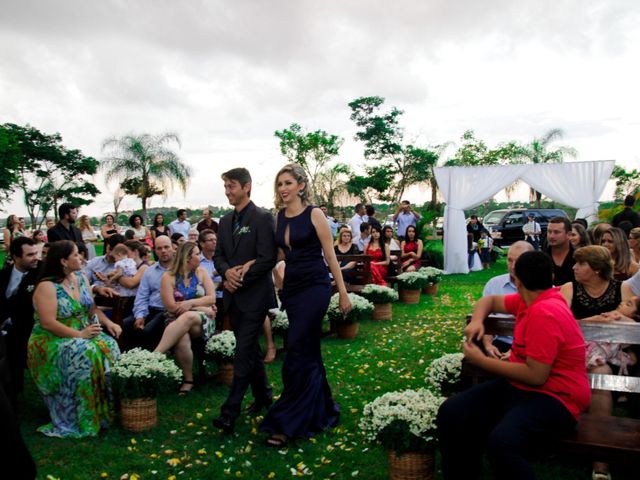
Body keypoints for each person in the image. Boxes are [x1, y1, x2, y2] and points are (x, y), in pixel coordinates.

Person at [437, 251, 590, 480]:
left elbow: (536, 375)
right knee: (453, 411)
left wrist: (482, 361)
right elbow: (489, 300)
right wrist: (477, 321)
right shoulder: (531, 298)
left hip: (558, 398)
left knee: (502, 443)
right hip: (521, 387)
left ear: (517, 280)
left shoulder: (546, 312)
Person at [260, 163, 351, 447]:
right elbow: (278, 255)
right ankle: (320, 408)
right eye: (280, 184)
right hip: (292, 290)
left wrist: (343, 292)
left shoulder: (314, 214)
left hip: (315, 287)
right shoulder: (281, 217)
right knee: (308, 348)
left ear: (301, 185)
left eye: (288, 183)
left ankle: (289, 422)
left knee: (297, 348)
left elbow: (331, 256)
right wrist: (276, 276)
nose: (283, 189)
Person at [27, 240, 122, 438]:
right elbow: (48, 323)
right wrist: (80, 335)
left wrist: (108, 323)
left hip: (83, 331)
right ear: (63, 261)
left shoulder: (79, 278)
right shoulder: (47, 286)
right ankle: (81, 416)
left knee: (109, 345)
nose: (81, 258)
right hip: (51, 340)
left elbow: (91, 309)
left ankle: (105, 411)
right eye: (76, 255)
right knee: (84, 351)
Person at [212, 167, 277, 435]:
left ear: (246, 187)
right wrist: (226, 273)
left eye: (232, 186)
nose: (228, 191)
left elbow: (267, 258)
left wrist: (240, 279)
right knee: (249, 350)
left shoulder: (263, 217)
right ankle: (264, 397)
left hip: (255, 296)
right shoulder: (225, 221)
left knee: (243, 352)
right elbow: (218, 256)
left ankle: (230, 412)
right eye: (225, 187)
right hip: (232, 296)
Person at [558, 245, 631, 478]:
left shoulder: (623, 288)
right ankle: (601, 462)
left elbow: (632, 324)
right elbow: (560, 322)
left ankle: (600, 459)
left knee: (601, 371)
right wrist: (596, 321)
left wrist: (620, 320)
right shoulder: (570, 288)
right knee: (601, 373)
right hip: (573, 352)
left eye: (580, 263)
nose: (574, 267)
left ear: (597, 269)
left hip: (615, 354)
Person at [154, 242, 216, 395]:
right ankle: (188, 380)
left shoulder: (201, 272)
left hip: (203, 321)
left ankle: (154, 356)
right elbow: (171, 307)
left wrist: (190, 303)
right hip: (176, 319)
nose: (200, 257)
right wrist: (200, 307)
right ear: (187, 258)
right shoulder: (168, 277)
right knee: (182, 337)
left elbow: (212, 298)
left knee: (188, 316)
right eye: (196, 254)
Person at [0, 237, 41, 403]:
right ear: (16, 257)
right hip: (4, 324)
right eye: (30, 255)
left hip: (27, 326)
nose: (35, 258)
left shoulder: (40, 275)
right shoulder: (3, 276)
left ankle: (12, 392)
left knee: (12, 346)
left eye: (36, 253)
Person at [481, 241, 534, 357]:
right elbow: (485, 320)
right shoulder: (494, 284)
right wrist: (488, 345)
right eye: (510, 260)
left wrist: (516, 351)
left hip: (532, 348)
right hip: (501, 342)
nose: (513, 266)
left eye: (519, 261)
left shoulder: (544, 289)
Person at [123, 235, 174, 351]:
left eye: (166, 247)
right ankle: (127, 361)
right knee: (125, 325)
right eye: (159, 248)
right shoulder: (150, 271)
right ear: (155, 251)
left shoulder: (180, 270)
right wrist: (140, 315)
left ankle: (149, 361)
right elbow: (142, 296)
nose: (163, 251)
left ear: (173, 248)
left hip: (167, 311)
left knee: (147, 331)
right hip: (150, 309)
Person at [544, 216, 575, 285]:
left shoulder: (578, 258)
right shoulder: (541, 259)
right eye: (549, 232)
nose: (551, 236)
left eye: (556, 232)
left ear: (569, 234)